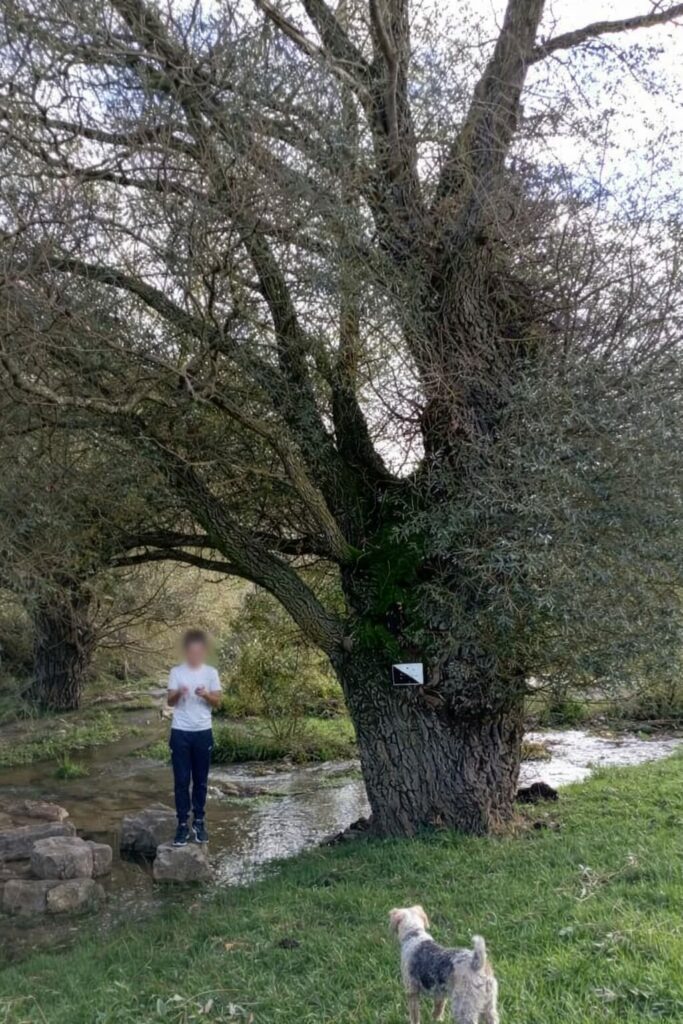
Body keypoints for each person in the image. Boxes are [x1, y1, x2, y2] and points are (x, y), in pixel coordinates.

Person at [167, 629, 222, 846]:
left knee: (200, 781)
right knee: (181, 781)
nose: (195, 655)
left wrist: (205, 694)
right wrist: (180, 692)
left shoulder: (211, 673)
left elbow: (217, 702)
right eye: (192, 651)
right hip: (180, 731)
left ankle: (199, 822)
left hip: (203, 731)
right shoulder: (176, 672)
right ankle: (182, 824)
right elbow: (170, 702)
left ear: (203, 652)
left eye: (199, 651)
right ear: (187, 651)